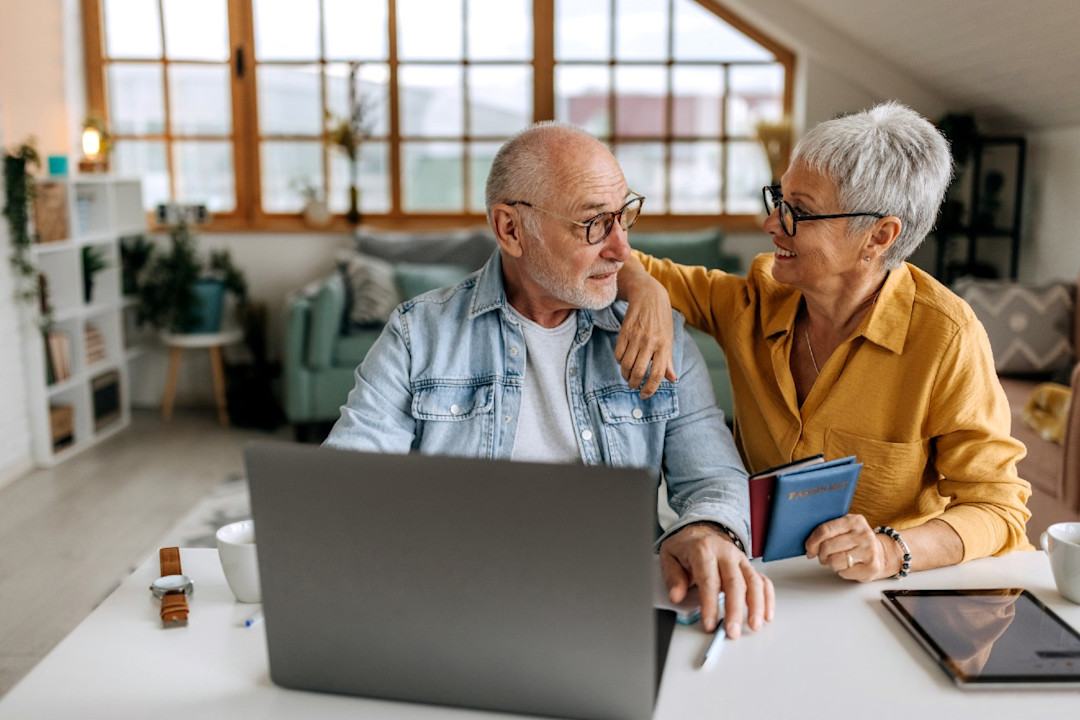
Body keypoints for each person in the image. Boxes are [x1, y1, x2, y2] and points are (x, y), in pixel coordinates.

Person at [324, 122, 774, 637]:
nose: (622, 249)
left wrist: (708, 529)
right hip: (458, 603)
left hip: (614, 602)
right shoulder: (418, 335)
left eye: (623, 215)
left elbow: (714, 475)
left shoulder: (657, 332)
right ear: (511, 229)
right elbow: (346, 487)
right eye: (593, 224)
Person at [616, 101, 1033, 583]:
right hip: (759, 577)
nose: (772, 223)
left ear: (878, 235)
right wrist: (645, 286)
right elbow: (617, 257)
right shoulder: (756, 297)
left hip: (881, 595)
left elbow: (997, 508)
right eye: (779, 199)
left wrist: (889, 550)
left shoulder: (945, 336)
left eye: (800, 212)